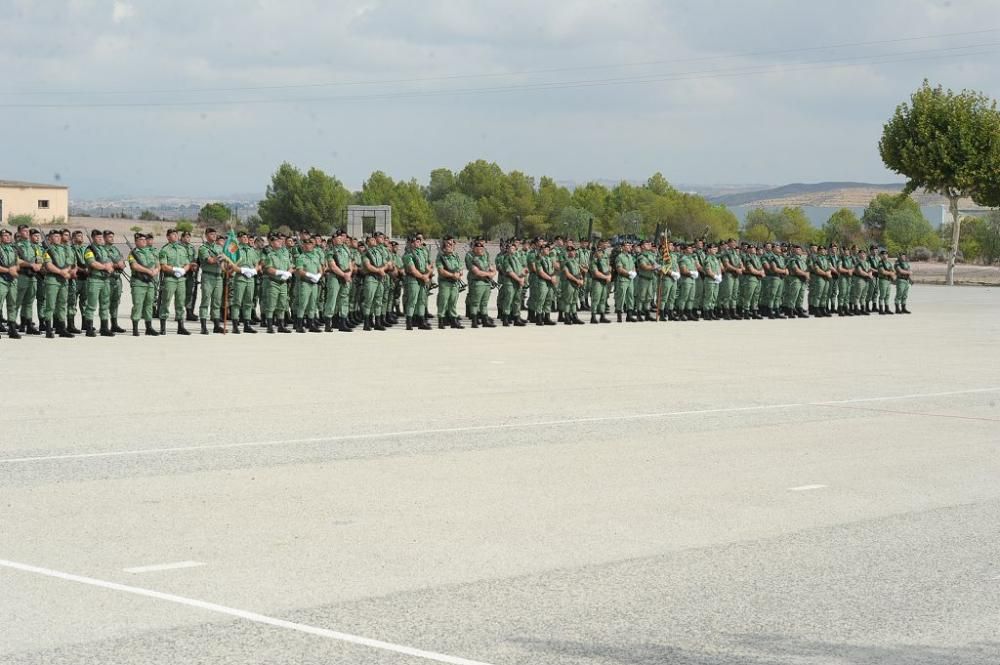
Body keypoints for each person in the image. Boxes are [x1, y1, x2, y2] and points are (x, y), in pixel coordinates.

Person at [40, 230, 74, 338]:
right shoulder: (47, 251)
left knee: (62, 304)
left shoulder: (65, 249)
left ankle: (62, 328)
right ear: (50, 238)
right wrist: (61, 272)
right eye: (55, 236)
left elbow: (69, 262)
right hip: (52, 280)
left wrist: (66, 271)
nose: (58, 238)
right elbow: (49, 265)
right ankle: (49, 329)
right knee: (50, 305)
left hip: (63, 281)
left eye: (59, 236)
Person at [158, 228, 192, 335]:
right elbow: (163, 266)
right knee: (166, 302)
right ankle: (163, 327)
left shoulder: (182, 249)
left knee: (180, 302)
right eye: (173, 234)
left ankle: (180, 326)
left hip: (181, 279)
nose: (175, 236)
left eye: (176, 234)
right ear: (168, 237)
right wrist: (174, 270)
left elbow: (187, 263)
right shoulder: (165, 250)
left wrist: (183, 270)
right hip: (170, 279)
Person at [82, 229, 115, 337]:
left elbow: (110, 261)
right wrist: (105, 267)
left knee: (105, 304)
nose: (100, 239)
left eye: (101, 237)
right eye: (98, 237)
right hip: (95, 280)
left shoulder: (104, 249)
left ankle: (104, 328)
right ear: (93, 238)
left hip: (105, 280)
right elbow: (92, 263)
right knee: (91, 305)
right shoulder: (89, 250)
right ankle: (89, 328)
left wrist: (109, 266)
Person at [127, 233, 161, 336]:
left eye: (144, 239)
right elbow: (134, 266)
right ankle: (135, 328)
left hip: (150, 282)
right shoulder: (133, 253)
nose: (143, 241)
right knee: (138, 305)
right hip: (138, 282)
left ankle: (149, 327)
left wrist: (155, 271)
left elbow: (158, 264)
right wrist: (148, 271)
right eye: (141, 240)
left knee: (149, 305)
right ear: (136, 241)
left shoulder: (151, 252)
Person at [230, 230, 261, 333]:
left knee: (248, 302)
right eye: (242, 237)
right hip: (240, 278)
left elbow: (256, 263)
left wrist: (253, 270)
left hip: (250, 278)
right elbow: (230, 264)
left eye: (246, 237)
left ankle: (247, 324)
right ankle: (235, 325)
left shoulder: (252, 250)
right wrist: (243, 270)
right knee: (237, 302)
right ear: (238, 239)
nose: (245, 239)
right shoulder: (234, 248)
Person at [262, 234, 293, 333]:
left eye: (280, 240)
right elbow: (268, 269)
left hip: (283, 283)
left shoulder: (285, 254)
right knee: (271, 305)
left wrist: (288, 273)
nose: (279, 242)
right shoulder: (270, 255)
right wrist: (280, 272)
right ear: (271, 243)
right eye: (276, 241)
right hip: (274, 282)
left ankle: (281, 325)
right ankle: (269, 326)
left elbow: (291, 266)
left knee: (282, 304)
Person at [402, 235, 432, 330]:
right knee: (412, 301)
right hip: (413, 279)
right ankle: (409, 322)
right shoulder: (408, 255)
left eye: (418, 242)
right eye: (414, 242)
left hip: (423, 279)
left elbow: (427, 267)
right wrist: (423, 277)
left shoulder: (422, 253)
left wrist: (427, 275)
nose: (416, 243)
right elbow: (412, 270)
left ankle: (421, 321)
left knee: (422, 301)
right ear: (410, 244)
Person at [465, 240, 496, 328]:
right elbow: (477, 272)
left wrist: (491, 274)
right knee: (475, 303)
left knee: (484, 303)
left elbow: (492, 268)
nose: (480, 250)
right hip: (477, 282)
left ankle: (485, 320)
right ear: (474, 249)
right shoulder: (471, 256)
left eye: (481, 248)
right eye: (477, 248)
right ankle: (474, 321)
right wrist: (489, 274)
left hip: (486, 283)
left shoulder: (485, 256)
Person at [103, 230, 127, 333]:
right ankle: (104, 325)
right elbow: (105, 263)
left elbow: (122, 261)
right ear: (104, 238)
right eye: (109, 237)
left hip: (117, 280)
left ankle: (114, 324)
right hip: (107, 279)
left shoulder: (115, 249)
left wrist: (120, 265)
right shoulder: (102, 250)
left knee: (115, 303)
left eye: (112, 237)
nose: (112, 238)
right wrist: (117, 265)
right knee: (105, 302)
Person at [0, 227, 21, 339]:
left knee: (12, 304)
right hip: (1, 280)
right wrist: (8, 270)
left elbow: (16, 263)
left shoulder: (13, 249)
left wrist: (15, 269)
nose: (7, 237)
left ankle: (12, 327)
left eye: (9, 235)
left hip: (12, 281)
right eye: (4, 236)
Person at [560, 243, 585, 324]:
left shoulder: (576, 262)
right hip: (568, 283)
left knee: (574, 300)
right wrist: (577, 280)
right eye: (569, 251)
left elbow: (579, 272)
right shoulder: (565, 262)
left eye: (572, 251)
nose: (571, 252)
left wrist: (581, 279)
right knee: (568, 300)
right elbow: (567, 274)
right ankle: (567, 317)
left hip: (576, 284)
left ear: (575, 252)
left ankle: (574, 316)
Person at [613, 239, 637, 322]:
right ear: (623, 247)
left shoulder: (630, 256)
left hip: (630, 280)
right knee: (621, 298)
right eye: (628, 245)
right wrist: (629, 273)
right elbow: (619, 269)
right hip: (623, 280)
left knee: (630, 297)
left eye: (630, 245)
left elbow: (633, 266)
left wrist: (634, 272)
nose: (630, 247)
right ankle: (619, 316)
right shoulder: (619, 257)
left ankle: (629, 315)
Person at [877, 249, 896, 315]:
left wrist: (891, 274)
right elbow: (883, 271)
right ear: (881, 256)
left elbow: (893, 271)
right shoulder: (880, 263)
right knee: (882, 295)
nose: (885, 256)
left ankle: (887, 308)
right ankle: (881, 309)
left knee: (887, 295)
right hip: (883, 280)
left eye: (886, 254)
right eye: (883, 255)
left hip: (888, 280)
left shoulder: (889, 263)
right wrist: (890, 273)